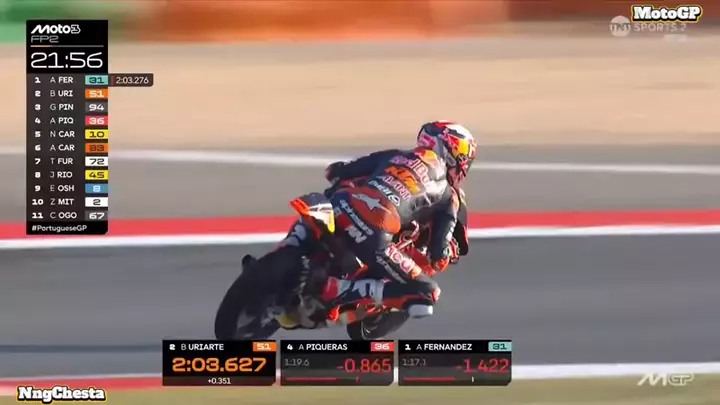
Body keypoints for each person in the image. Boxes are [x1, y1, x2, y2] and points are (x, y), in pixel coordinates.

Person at [283, 120, 476, 324]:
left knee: (324, 201)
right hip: (376, 232)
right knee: (429, 292)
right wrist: (445, 254)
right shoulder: (449, 195)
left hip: (342, 204)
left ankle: (291, 243)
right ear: (452, 155)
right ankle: (339, 290)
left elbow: (334, 172)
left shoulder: (396, 155)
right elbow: (438, 255)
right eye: (464, 161)